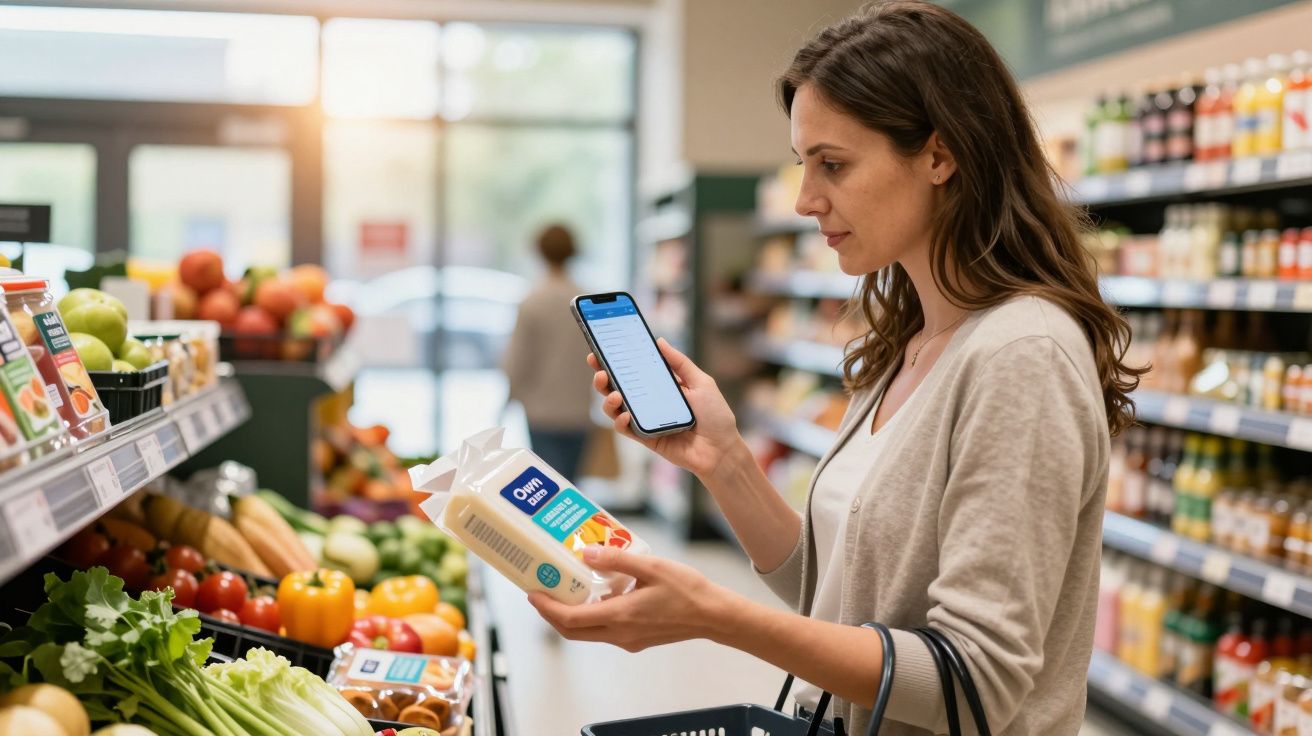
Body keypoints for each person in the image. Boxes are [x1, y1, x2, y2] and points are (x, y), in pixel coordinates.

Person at [528, 3, 1146, 734]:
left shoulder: (1022, 355)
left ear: (941, 156)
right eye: (802, 164)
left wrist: (715, 616)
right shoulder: (911, 340)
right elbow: (835, 596)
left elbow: (975, 684)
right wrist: (723, 459)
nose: (804, 199)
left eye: (834, 164)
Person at [501, 224, 595, 481]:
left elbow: (516, 361)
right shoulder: (587, 300)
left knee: (550, 489)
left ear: (539, 253)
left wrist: (508, 398)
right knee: (573, 488)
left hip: (541, 411)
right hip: (579, 409)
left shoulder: (533, 301)